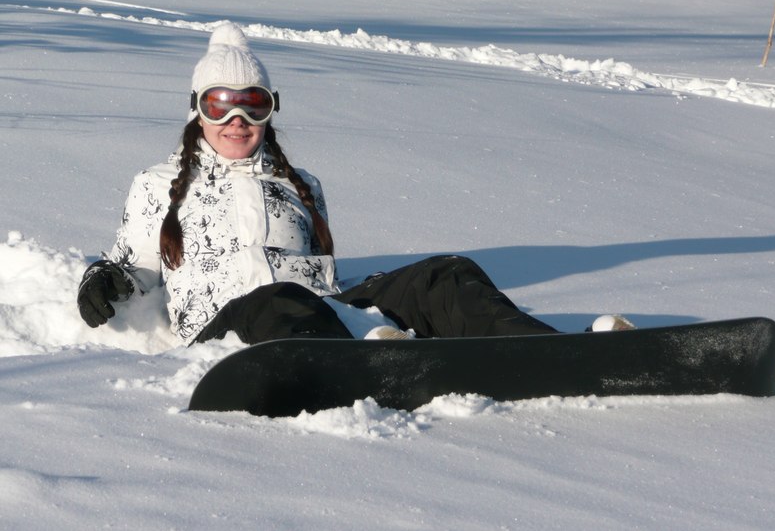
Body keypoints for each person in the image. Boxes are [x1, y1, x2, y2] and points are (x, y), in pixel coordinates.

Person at [76, 23, 629, 345]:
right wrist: (100, 279)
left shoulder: (302, 185)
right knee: (278, 300)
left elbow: (321, 278)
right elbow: (134, 264)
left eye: (253, 103)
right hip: (228, 339)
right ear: (198, 111)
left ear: (270, 111)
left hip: (320, 320)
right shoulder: (157, 184)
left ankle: (541, 350)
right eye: (220, 105)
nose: (236, 119)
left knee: (445, 273)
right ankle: (363, 363)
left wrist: (387, 291)